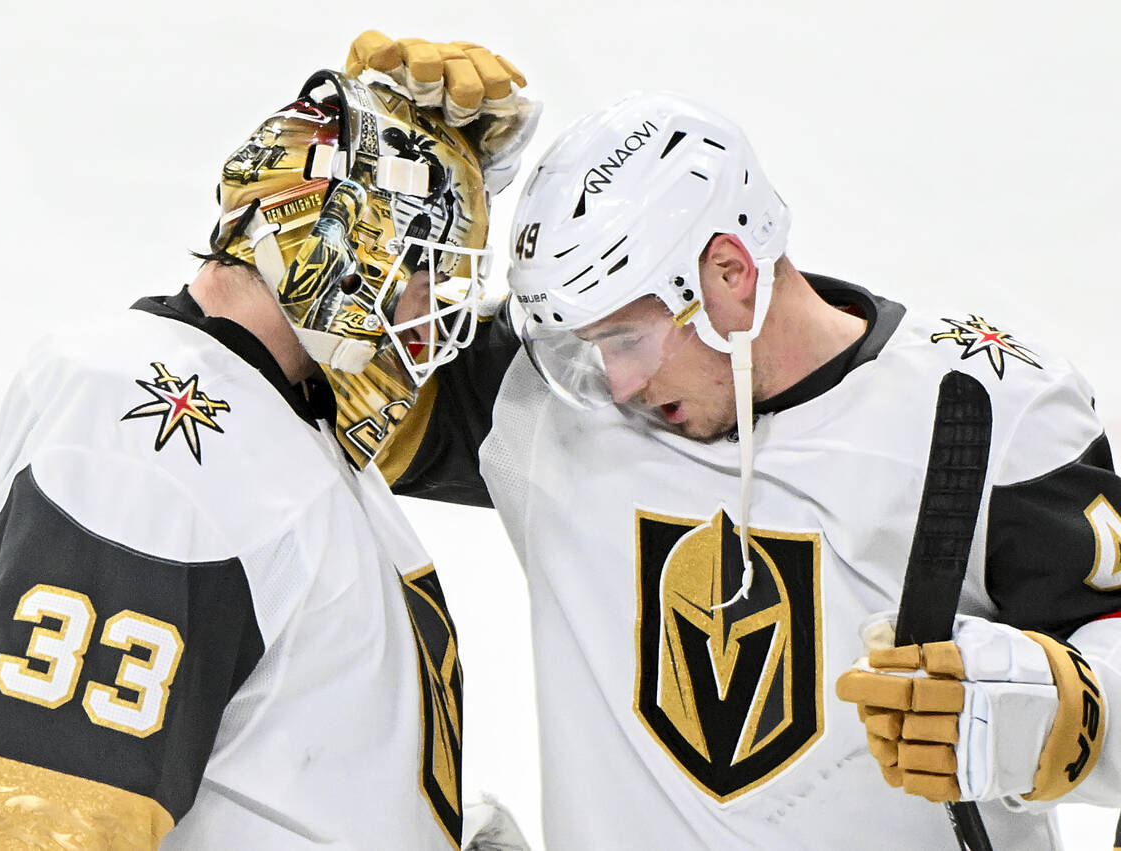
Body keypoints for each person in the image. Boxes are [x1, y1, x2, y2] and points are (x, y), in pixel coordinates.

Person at [346, 32, 1121, 849]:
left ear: (729, 271)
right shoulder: (543, 396)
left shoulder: (984, 410)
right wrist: (392, 195)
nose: (615, 386)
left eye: (626, 340)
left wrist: (1067, 710)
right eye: (586, 350)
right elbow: (323, 383)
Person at [0, 66, 529, 850]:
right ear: (349, 250)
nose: (437, 307)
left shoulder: (278, 429)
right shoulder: (155, 431)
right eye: (430, 267)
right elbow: (28, 811)